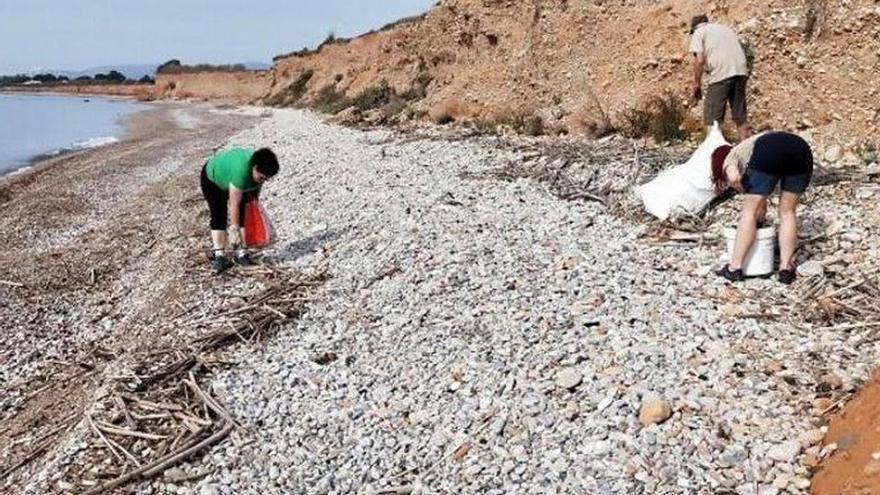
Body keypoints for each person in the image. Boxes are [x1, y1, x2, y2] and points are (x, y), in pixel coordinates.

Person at [711, 131, 814, 284]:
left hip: (769, 152)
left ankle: (734, 268)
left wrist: (741, 189)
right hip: (801, 150)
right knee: (787, 212)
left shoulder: (731, 156)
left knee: (749, 212)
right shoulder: (751, 144)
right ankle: (785, 268)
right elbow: (763, 203)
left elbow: (733, 177)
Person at [200, 147, 279, 274]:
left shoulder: (259, 173)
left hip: (233, 178)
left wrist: (255, 203)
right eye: (261, 177)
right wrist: (234, 230)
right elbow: (234, 204)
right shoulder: (241, 172)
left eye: (266, 179)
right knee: (219, 214)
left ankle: (241, 253)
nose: (263, 181)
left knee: (243, 215)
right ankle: (219, 255)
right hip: (212, 179)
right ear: (254, 167)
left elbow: (253, 194)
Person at [688, 14, 751, 140]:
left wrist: (697, 84)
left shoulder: (699, 32)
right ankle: (747, 150)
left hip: (721, 73)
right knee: (740, 115)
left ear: (694, 28)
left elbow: (699, 61)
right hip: (741, 71)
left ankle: (713, 151)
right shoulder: (725, 29)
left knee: (712, 117)